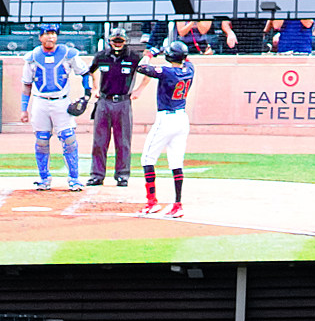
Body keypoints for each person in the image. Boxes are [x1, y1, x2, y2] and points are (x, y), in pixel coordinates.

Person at [17, 23, 87, 192]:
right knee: (41, 140)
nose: (50, 37)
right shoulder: (32, 57)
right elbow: (26, 85)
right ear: (40, 37)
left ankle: (74, 179)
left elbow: (84, 72)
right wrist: (23, 108)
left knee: (68, 139)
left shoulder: (67, 54)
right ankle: (44, 178)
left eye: (53, 33)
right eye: (46, 34)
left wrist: (88, 94)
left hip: (61, 101)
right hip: (40, 101)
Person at [134, 38, 196, 217]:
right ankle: (178, 204)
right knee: (176, 163)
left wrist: (151, 53)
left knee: (147, 159)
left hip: (166, 119)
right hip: (182, 119)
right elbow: (186, 59)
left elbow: (142, 67)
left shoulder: (168, 72)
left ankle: (152, 202)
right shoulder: (190, 69)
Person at [85, 30, 141, 188]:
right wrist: (94, 88)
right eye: (115, 40)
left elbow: (147, 71)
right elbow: (89, 72)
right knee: (99, 141)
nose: (118, 43)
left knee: (123, 141)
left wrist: (139, 90)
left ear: (125, 41)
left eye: (120, 40)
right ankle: (97, 175)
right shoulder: (101, 56)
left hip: (123, 101)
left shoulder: (133, 57)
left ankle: (122, 175)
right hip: (104, 100)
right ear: (109, 40)